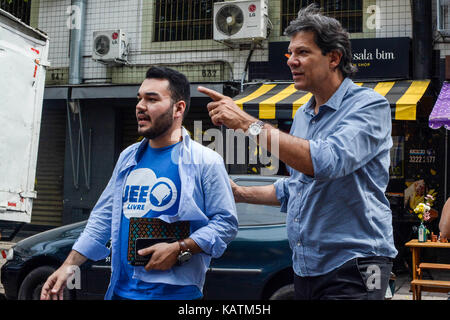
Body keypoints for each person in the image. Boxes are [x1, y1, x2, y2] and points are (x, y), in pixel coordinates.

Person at [198, 4, 397, 300]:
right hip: (306, 266)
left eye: (303, 52)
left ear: (334, 57)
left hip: (357, 263)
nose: (292, 61)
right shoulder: (304, 114)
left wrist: (245, 122)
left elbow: (325, 162)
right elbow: (297, 188)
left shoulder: (368, 106)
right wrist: (240, 194)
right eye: (290, 53)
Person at [41, 66, 238, 300]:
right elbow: (103, 217)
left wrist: (179, 248)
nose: (140, 106)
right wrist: (68, 266)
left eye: (152, 99)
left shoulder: (206, 160)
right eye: (139, 98)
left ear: (179, 108)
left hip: (177, 294)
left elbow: (226, 224)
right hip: (121, 292)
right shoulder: (128, 157)